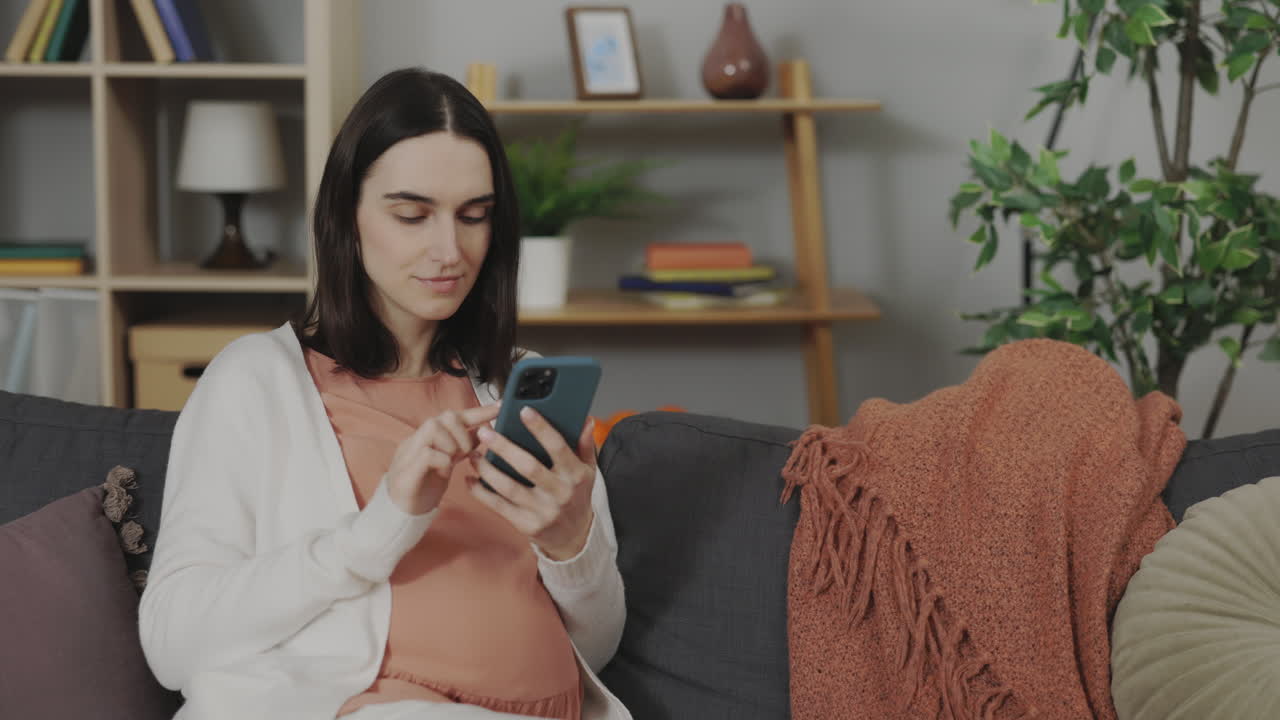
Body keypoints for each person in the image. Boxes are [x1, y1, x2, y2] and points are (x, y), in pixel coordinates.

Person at [138, 68, 631, 720]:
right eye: (411, 214)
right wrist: (376, 533)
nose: (448, 249)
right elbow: (173, 642)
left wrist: (572, 543)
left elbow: (596, 649)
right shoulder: (256, 381)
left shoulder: (520, 385)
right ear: (349, 215)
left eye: (474, 216)